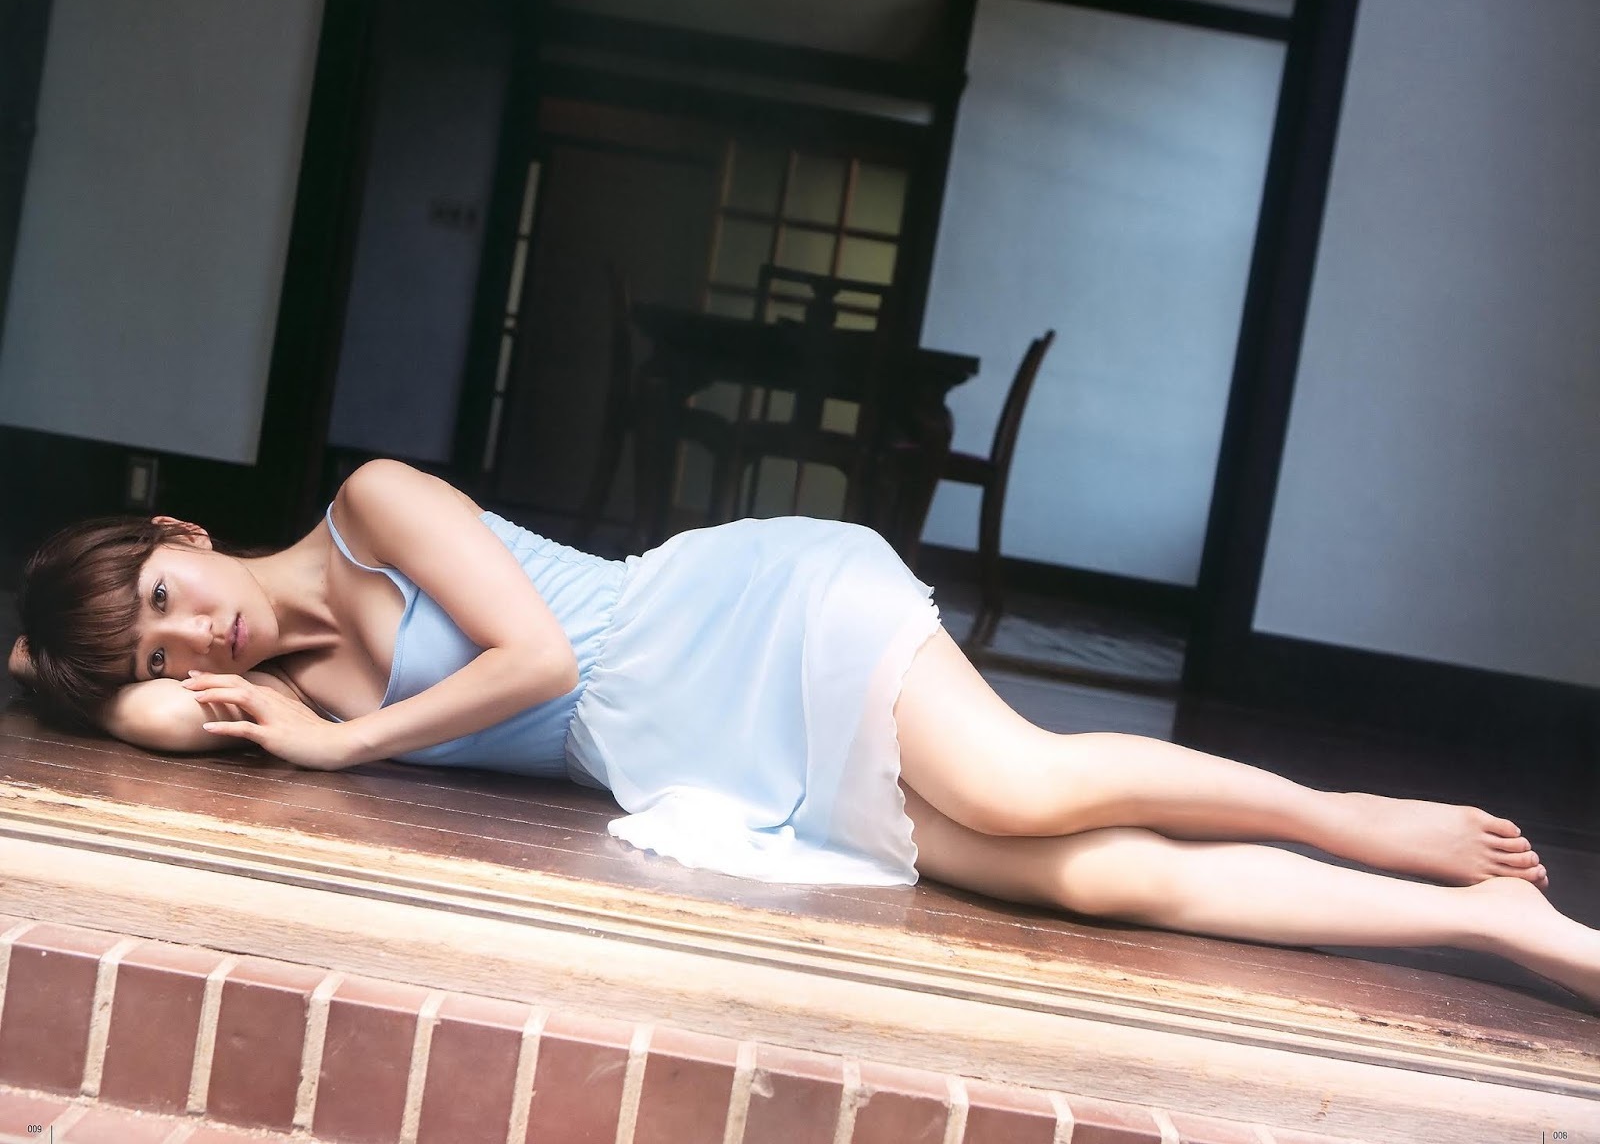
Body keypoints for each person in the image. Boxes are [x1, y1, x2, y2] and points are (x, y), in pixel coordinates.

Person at [8, 458, 1598, 1009]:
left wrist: (341, 750)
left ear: (184, 530)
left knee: (1021, 784)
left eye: (163, 592)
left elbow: (539, 656)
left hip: (737, 621)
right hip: (699, 763)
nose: (191, 639)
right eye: (158, 654)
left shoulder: (370, 507)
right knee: (1092, 880)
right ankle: (1490, 924)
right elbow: (126, 701)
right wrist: (72, 672)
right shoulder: (263, 701)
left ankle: (1350, 814)